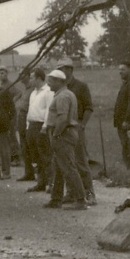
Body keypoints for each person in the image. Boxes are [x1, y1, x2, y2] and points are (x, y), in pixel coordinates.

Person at [43, 69, 86, 209]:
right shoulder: (65, 94)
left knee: (68, 168)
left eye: (50, 80)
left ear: (58, 81)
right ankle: (56, 199)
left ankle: (80, 200)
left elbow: (62, 118)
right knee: (59, 168)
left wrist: (55, 135)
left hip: (62, 135)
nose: (48, 83)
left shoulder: (62, 97)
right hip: (64, 134)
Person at [58, 61, 97, 205]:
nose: (60, 71)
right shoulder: (59, 87)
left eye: (62, 68)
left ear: (69, 69)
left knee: (81, 161)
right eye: (58, 69)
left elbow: (88, 107)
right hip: (62, 127)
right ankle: (71, 192)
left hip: (76, 126)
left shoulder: (81, 86)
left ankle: (89, 193)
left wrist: (83, 125)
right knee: (68, 161)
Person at [23, 68, 53, 192]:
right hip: (32, 126)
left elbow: (49, 110)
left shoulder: (47, 91)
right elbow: (31, 110)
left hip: (41, 126)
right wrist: (27, 125)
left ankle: (51, 183)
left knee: (45, 155)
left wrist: (45, 126)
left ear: (39, 78)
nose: (30, 80)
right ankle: (41, 182)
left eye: (31, 77)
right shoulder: (33, 93)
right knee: (35, 156)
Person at [0, 66, 24, 165]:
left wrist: (11, 102)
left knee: (12, 134)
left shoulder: (10, 84)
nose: (0, 75)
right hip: (2, 113)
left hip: (10, 113)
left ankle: (16, 157)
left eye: (2, 73)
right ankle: (9, 157)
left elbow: (18, 93)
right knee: (4, 135)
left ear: (6, 74)